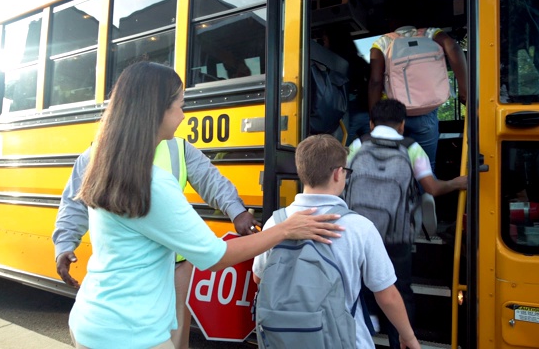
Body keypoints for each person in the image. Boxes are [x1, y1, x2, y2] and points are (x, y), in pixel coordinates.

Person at [67, 61, 343, 349]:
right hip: (131, 334)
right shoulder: (152, 183)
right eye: (179, 105)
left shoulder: (105, 164)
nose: (183, 115)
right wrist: (286, 229)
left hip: (91, 320)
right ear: (156, 110)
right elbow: (215, 257)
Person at [53, 138, 261, 349]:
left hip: (175, 268)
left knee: (175, 340)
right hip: (131, 272)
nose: (182, 115)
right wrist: (64, 243)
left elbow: (210, 180)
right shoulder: (97, 153)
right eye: (178, 107)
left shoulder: (177, 148)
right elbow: (75, 201)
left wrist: (236, 211)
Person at [252, 134, 420, 349]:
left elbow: (259, 278)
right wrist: (408, 336)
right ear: (338, 173)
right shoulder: (359, 227)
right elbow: (387, 296)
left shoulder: (275, 223)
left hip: (283, 340)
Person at [348, 99, 467, 348]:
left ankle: (366, 328)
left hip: (359, 233)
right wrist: (457, 182)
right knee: (399, 290)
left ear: (371, 123)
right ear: (402, 125)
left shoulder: (358, 144)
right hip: (397, 236)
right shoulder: (412, 148)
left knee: (359, 281)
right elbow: (431, 188)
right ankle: (399, 340)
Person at [368, 12, 467, 171]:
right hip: (426, 113)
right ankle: (426, 193)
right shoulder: (431, 34)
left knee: (391, 167)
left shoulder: (382, 43)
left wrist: (374, 118)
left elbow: (375, 82)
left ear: (391, 20)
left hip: (392, 114)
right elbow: (453, 46)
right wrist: (464, 91)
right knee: (426, 167)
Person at [319, 25, 371, 144]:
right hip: (365, 110)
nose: (323, 44)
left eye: (324, 40)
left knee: (340, 148)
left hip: (346, 113)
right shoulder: (358, 61)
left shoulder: (332, 63)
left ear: (332, 40)